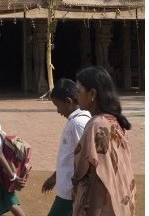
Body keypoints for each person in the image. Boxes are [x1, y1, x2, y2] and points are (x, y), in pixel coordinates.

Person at [72, 66, 136, 216]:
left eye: (79, 91)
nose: (76, 96)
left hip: (104, 208)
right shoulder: (113, 120)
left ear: (92, 93)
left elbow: (99, 179)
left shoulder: (97, 125)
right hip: (120, 201)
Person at [42, 78, 91, 216]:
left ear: (69, 101)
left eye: (58, 106)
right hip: (67, 188)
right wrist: (55, 177)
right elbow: (70, 157)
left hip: (71, 191)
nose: (58, 111)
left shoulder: (78, 123)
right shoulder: (75, 122)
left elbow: (87, 157)